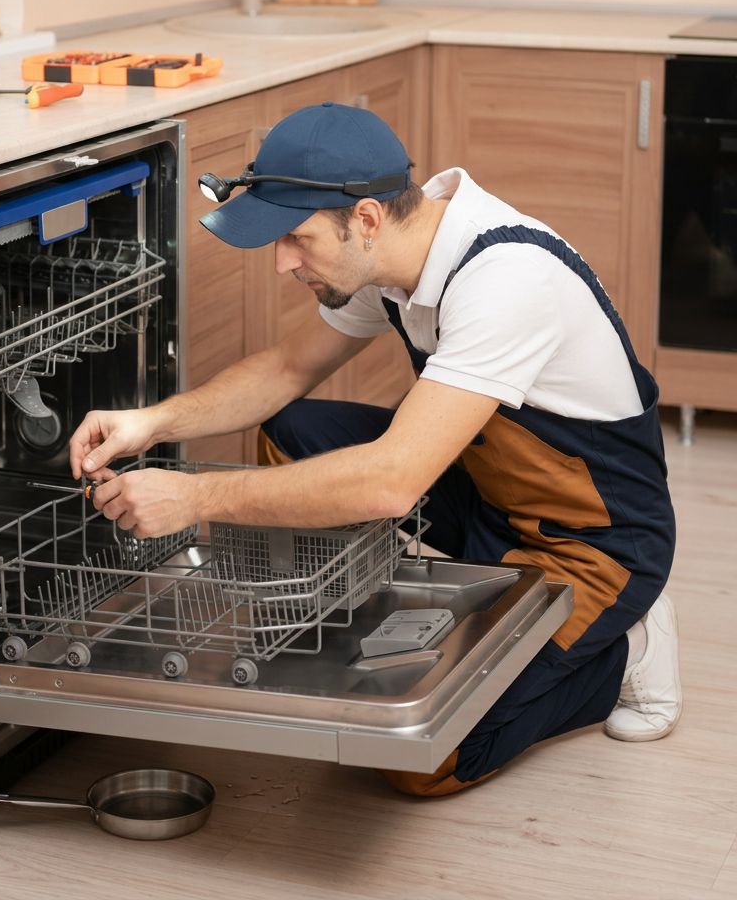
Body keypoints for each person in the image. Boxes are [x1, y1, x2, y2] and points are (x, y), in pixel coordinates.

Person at [68, 102, 681, 796]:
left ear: (364, 218)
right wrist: (151, 423)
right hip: (485, 493)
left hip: (594, 540)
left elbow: (392, 482)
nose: (282, 263)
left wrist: (193, 497)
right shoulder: (394, 257)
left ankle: (625, 650)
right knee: (293, 432)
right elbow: (286, 370)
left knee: (426, 759)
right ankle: (321, 639)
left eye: (296, 238)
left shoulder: (507, 280)